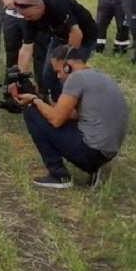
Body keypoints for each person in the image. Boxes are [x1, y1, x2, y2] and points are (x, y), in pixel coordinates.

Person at [14, 45, 128, 189]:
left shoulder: (76, 78)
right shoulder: (99, 76)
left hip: (91, 152)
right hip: (106, 153)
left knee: (31, 112)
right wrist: (43, 99)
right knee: (48, 113)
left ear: (67, 66)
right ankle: (96, 167)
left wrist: (34, 100)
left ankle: (59, 175)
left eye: (58, 71)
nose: (58, 76)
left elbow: (56, 120)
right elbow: (72, 114)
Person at [13, 0, 98, 103]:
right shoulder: (28, 19)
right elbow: (26, 48)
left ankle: (75, 103)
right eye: (24, 16)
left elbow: (76, 33)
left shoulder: (58, 4)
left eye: (28, 16)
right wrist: (20, 77)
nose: (27, 19)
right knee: (48, 75)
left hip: (84, 38)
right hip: (59, 37)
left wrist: (66, 62)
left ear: (39, 7)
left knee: (69, 74)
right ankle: (57, 103)